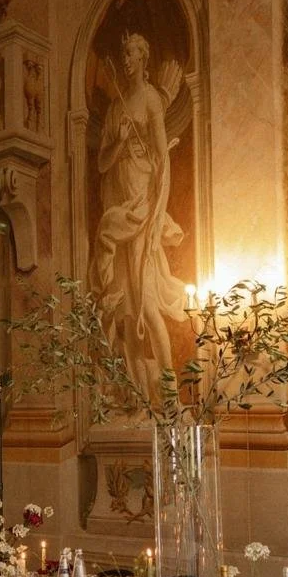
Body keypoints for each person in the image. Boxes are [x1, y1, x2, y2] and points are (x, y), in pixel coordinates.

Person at [88, 32, 187, 398]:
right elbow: (101, 163)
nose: (125, 60)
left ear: (144, 58)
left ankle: (170, 388)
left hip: (142, 208)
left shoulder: (150, 100)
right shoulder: (115, 109)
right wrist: (119, 141)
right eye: (123, 54)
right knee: (128, 313)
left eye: (130, 54)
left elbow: (161, 157)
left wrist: (158, 209)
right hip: (120, 203)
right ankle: (137, 395)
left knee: (146, 304)